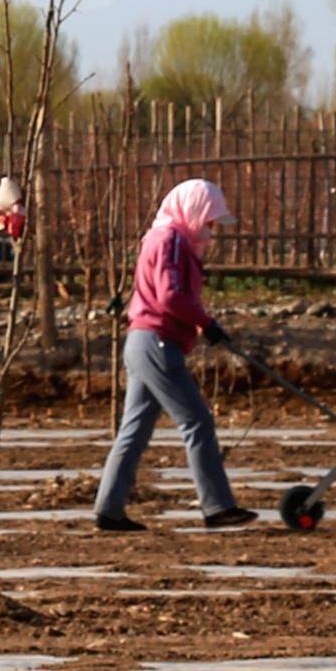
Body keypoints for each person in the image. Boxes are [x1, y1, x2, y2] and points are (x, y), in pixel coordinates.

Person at [90, 177, 255, 531]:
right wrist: (205, 323)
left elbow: (171, 295)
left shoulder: (165, 238)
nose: (211, 228)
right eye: (209, 219)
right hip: (156, 343)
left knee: (134, 430)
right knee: (196, 421)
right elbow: (169, 296)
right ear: (192, 211)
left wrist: (200, 324)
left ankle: (109, 509)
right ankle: (217, 507)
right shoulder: (171, 241)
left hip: (143, 341)